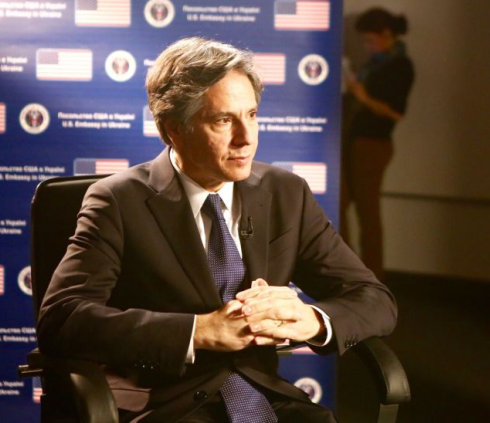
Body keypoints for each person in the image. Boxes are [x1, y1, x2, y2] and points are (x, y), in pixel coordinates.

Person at [38, 37, 397, 422]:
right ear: (174, 129)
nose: (247, 138)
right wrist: (198, 331)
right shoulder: (117, 201)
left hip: (266, 396)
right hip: (165, 403)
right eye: (223, 120)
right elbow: (63, 318)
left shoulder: (286, 193)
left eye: (252, 115)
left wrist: (312, 320)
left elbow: (374, 299)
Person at [340, 8, 415, 280]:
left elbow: (395, 112)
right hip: (354, 141)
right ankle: (348, 272)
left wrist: (363, 96)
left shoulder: (401, 66)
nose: (367, 46)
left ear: (387, 34)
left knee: (367, 212)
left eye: (370, 40)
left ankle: (372, 279)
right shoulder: (375, 64)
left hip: (373, 145)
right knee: (338, 204)